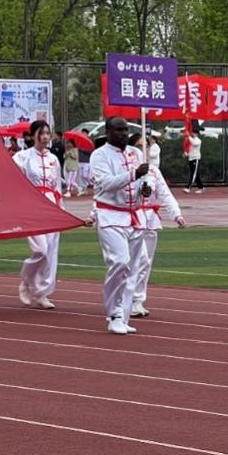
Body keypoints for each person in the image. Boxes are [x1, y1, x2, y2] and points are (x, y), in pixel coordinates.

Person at [90, 116, 147, 335]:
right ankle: (113, 313)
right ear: (108, 132)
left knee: (132, 268)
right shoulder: (100, 155)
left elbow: (144, 180)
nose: (123, 134)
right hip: (110, 215)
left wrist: (145, 187)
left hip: (134, 216)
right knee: (120, 262)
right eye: (119, 130)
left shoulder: (136, 153)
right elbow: (107, 184)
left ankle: (122, 315)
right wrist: (134, 174)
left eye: (125, 130)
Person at [131, 151, 187, 318]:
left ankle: (138, 300)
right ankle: (127, 298)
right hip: (134, 218)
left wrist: (176, 215)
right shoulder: (127, 169)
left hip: (151, 220)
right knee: (139, 259)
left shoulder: (154, 171)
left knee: (146, 262)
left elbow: (165, 194)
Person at [13, 120, 63, 310]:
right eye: (41, 133)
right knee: (40, 249)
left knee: (51, 252)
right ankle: (26, 282)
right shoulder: (23, 157)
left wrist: (61, 211)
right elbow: (10, 175)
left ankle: (43, 293)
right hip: (32, 205)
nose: (45, 137)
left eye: (47, 133)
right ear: (32, 135)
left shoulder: (54, 159)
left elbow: (57, 186)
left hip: (51, 206)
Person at [183, 127, 204, 193]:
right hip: (191, 159)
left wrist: (188, 136)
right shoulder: (191, 140)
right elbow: (191, 150)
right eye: (192, 132)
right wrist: (187, 154)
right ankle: (201, 187)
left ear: (197, 134)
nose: (193, 134)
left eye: (194, 133)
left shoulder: (198, 140)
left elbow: (194, 144)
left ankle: (188, 187)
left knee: (193, 174)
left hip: (196, 158)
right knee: (196, 174)